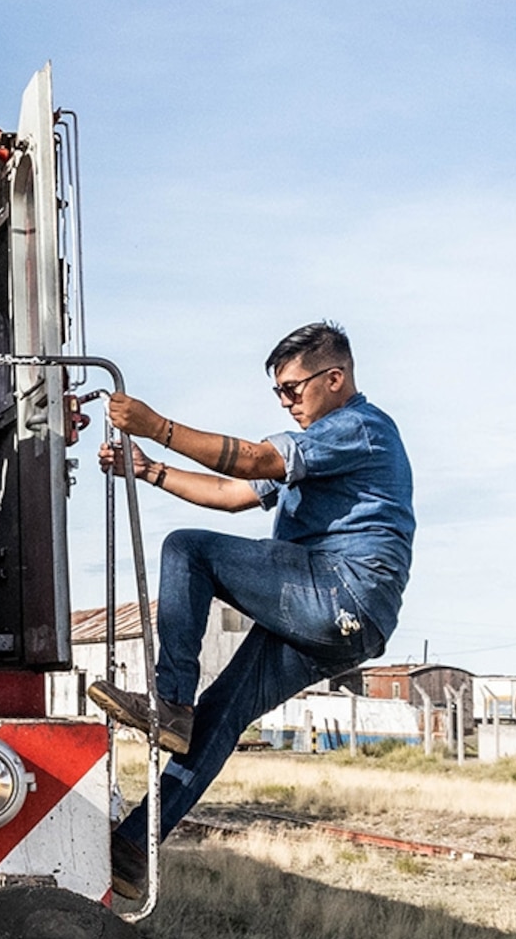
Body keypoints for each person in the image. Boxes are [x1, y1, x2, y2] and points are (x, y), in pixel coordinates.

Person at [86, 320, 413, 896]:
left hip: (341, 589)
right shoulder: (319, 449)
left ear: (334, 378)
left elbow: (253, 463)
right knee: (222, 717)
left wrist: (156, 426)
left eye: (293, 388)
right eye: (279, 393)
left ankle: (171, 700)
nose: (287, 402)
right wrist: (147, 470)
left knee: (187, 549)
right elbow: (234, 496)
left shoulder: (356, 427)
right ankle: (133, 850)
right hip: (342, 618)